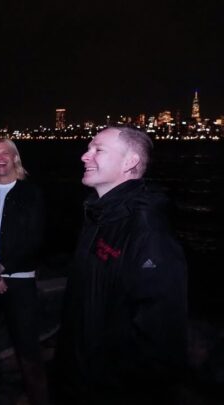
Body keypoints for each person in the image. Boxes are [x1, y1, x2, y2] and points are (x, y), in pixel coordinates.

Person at [56, 127, 188, 404]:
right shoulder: (99, 216)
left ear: (130, 162)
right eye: (88, 148)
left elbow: (159, 337)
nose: (84, 156)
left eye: (98, 150)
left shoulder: (148, 232)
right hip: (79, 378)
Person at [0, 138, 48, 404]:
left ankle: (38, 396)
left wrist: (2, 268)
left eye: (6, 153)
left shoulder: (31, 194)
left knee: (27, 345)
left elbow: (35, 238)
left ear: (15, 158)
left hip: (20, 282)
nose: (0, 157)